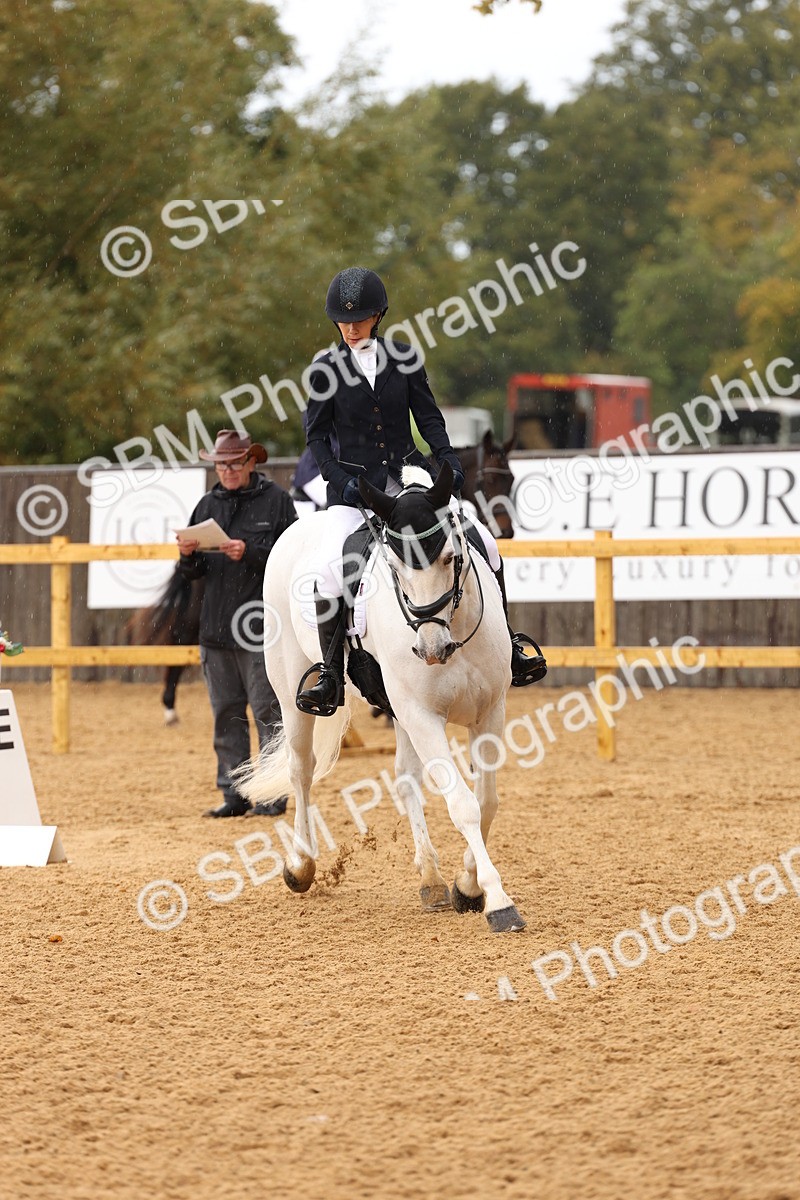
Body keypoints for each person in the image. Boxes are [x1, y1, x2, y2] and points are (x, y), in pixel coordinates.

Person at [296, 266, 546, 717]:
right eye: (344, 321)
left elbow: (428, 417)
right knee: (333, 569)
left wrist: (446, 458)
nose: (352, 328)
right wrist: (339, 479)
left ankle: (509, 643)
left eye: (362, 319)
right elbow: (315, 438)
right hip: (355, 487)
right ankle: (329, 674)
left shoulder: (405, 359)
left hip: (411, 476)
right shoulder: (323, 370)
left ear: (379, 316)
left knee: (484, 543)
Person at [176, 429, 297, 817]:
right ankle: (234, 795)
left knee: (268, 713)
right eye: (220, 464)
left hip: (263, 631)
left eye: (233, 463)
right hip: (215, 631)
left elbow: (292, 559)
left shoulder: (277, 502)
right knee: (225, 715)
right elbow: (192, 575)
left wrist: (250, 552)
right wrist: (187, 556)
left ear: (251, 462)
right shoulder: (206, 504)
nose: (226, 470)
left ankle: (272, 795)